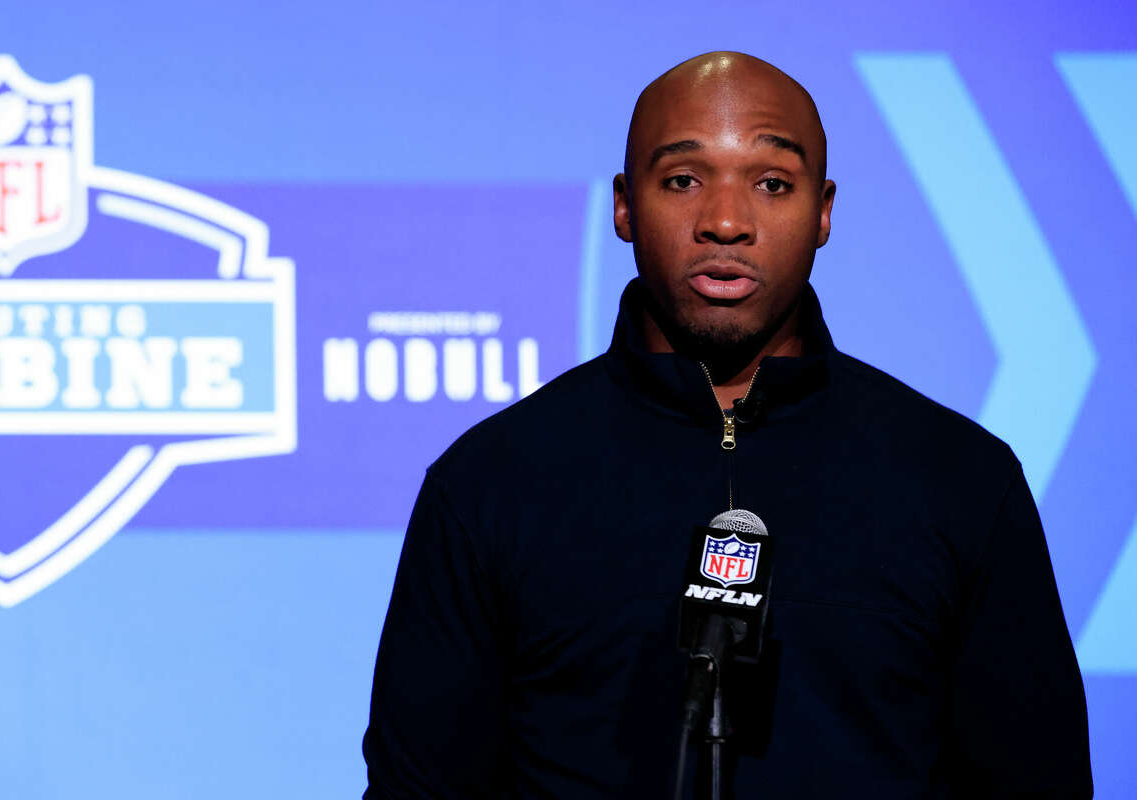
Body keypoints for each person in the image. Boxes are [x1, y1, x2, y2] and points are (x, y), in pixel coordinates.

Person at [363, 52, 1092, 799]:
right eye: (683, 180)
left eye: (772, 184)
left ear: (823, 212)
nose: (725, 222)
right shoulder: (491, 481)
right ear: (623, 206)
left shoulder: (959, 477)